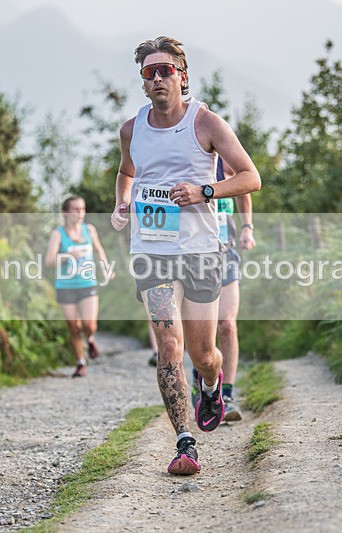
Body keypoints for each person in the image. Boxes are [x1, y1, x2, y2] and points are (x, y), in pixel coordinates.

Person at [111, 36, 261, 476]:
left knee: (203, 352)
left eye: (165, 70)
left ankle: (212, 384)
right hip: (152, 250)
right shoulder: (131, 129)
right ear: (142, 82)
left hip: (200, 251)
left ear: (182, 76)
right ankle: (184, 442)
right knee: (169, 344)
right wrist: (121, 202)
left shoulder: (206, 123)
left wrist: (203, 191)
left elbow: (251, 177)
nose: (157, 78)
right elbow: (126, 172)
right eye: (149, 72)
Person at [191, 158, 256, 422]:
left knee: (227, 325)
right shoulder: (183, 164)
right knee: (197, 329)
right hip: (193, 257)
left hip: (226, 253)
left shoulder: (225, 165)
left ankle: (225, 394)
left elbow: (246, 186)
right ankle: (203, 384)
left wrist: (247, 227)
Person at [45, 196, 112, 378]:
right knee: (74, 327)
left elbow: (99, 251)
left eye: (82, 209)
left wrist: (106, 268)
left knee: (89, 325)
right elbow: (49, 261)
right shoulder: (58, 234)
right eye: (75, 209)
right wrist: (67, 255)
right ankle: (80, 363)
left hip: (87, 284)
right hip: (65, 286)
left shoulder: (89, 230)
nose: (80, 213)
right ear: (66, 212)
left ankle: (90, 339)